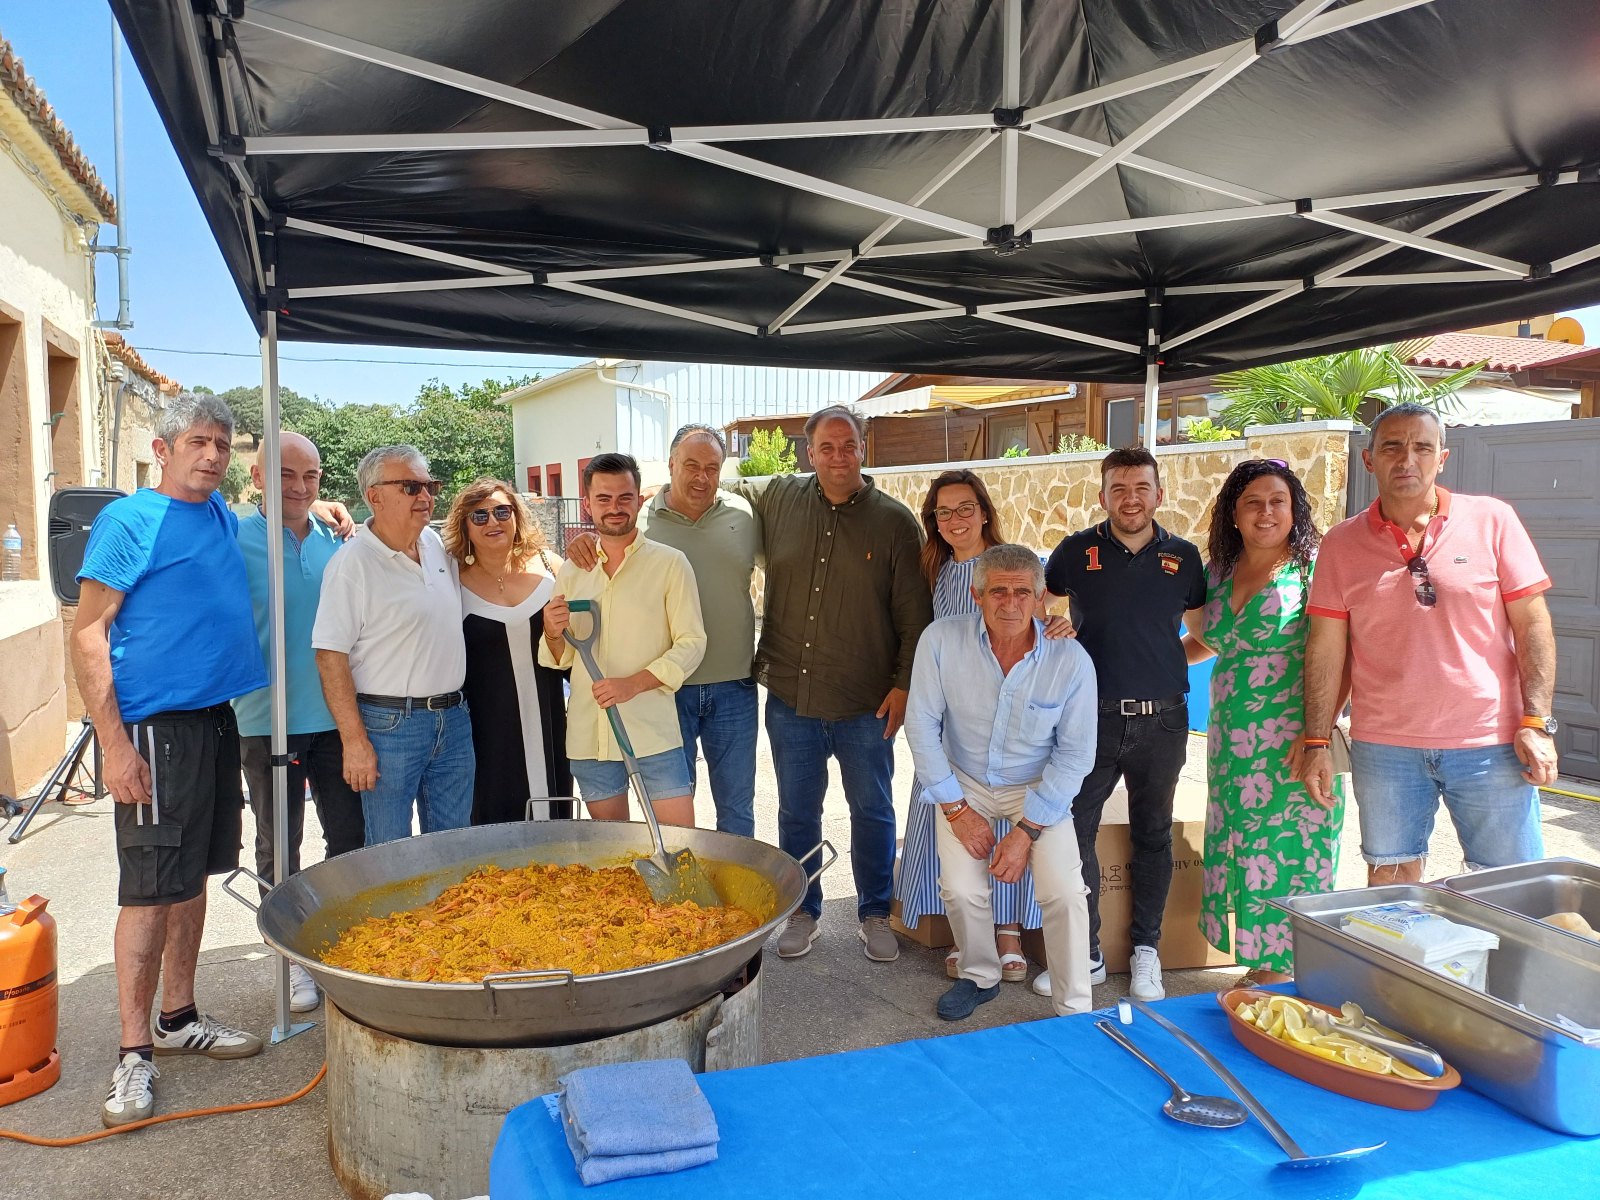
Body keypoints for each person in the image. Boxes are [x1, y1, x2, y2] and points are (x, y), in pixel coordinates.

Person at [72, 392, 266, 1129]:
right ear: (164, 448)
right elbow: (88, 633)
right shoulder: (129, 519)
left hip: (215, 720)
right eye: (197, 442)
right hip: (154, 726)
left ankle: (178, 1016)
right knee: (149, 888)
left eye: (220, 443)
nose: (212, 455)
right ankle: (133, 1055)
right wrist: (115, 745)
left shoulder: (216, 512)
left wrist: (332, 512)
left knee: (191, 876)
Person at [1300, 402, 1558, 881]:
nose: (1407, 459)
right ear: (1369, 460)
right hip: (1385, 746)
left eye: (1422, 447)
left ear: (1442, 458)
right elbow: (1326, 648)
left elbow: (1533, 626)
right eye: (1392, 446)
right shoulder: (1341, 543)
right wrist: (1317, 738)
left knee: (1512, 886)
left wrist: (1537, 722)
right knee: (1389, 882)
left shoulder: (1492, 520)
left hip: (1491, 742)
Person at [725, 405, 933, 962]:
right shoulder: (777, 499)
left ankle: (873, 912)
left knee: (872, 810)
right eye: (827, 447)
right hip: (793, 695)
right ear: (808, 452)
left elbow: (915, 616)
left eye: (849, 446)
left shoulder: (894, 522)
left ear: (864, 449)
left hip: (867, 701)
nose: (838, 457)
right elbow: (720, 489)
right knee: (796, 812)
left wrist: (903, 685)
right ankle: (804, 912)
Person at [905, 544, 1099, 1020]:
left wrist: (1027, 832)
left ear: (1039, 599)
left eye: (1021, 593)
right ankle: (979, 975)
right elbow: (921, 727)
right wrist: (956, 810)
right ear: (976, 595)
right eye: (998, 592)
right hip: (965, 781)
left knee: (1065, 891)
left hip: (1036, 787)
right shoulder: (940, 641)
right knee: (960, 887)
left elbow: (1075, 755)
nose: (1009, 604)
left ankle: (1074, 1008)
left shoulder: (1070, 659)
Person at [893, 469, 1068, 994]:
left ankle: (1009, 933)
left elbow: (1050, 617)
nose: (955, 520)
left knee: (1009, 822)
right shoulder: (940, 570)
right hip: (953, 720)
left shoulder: (1020, 559)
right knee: (958, 827)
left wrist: (1060, 622)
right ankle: (970, 938)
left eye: (964, 508)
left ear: (985, 510)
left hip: (1012, 721)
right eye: (943, 512)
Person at [1043, 445, 1206, 1002]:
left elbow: (1205, 632)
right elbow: (1038, 604)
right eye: (1119, 488)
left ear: (1159, 494)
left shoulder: (1184, 558)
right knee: (1074, 831)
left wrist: (1164, 662)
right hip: (1093, 720)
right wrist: (1055, 627)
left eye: (1141, 488)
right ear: (1102, 495)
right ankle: (1084, 954)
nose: (1130, 499)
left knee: (1153, 835)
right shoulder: (1075, 552)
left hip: (1163, 722)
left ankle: (1146, 954)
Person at [1183, 459, 1347, 985]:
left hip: (1294, 737)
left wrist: (1319, 735)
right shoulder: (1218, 574)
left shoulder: (1314, 569)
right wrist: (1141, 664)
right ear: (1233, 514)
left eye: (1277, 500)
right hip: (1230, 740)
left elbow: (1343, 653)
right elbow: (1210, 641)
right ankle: (1261, 960)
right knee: (1241, 846)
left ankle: (1283, 969)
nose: (1266, 511)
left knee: (1290, 847)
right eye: (1252, 502)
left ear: (1294, 507)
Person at [566, 425, 763, 836]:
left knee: (737, 807)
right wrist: (580, 545)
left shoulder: (744, 516)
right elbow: (610, 538)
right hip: (667, 692)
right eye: (691, 465)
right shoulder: (642, 519)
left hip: (733, 686)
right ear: (671, 464)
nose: (701, 476)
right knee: (675, 812)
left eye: (712, 467)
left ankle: (736, 898)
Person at [233, 432, 366, 1014]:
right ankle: (290, 961)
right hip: (266, 720)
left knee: (349, 839)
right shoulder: (232, 536)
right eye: (285, 475)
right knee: (278, 845)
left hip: (338, 717)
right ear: (258, 477)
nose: (300, 486)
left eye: (309, 476)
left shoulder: (339, 542)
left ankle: (344, 946)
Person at [313, 445, 475, 844]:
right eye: (411, 486)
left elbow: (501, 555)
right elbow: (329, 657)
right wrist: (354, 742)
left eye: (429, 485)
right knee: (389, 853)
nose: (426, 496)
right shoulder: (352, 564)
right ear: (374, 497)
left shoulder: (435, 545)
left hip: (453, 720)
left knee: (453, 849)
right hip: (389, 728)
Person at [540, 453, 706, 825]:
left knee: (678, 848)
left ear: (639, 500)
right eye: (603, 499)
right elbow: (562, 656)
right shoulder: (572, 570)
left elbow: (692, 642)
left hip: (653, 735)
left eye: (624, 498)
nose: (614, 508)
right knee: (614, 858)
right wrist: (552, 632)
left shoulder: (669, 564)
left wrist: (633, 684)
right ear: (587, 504)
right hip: (589, 738)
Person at [443, 479, 573, 822]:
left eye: (502, 511)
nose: (493, 522)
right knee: (496, 829)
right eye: (479, 516)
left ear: (516, 516)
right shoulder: (450, 581)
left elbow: (573, 651)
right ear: (465, 526)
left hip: (549, 717)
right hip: (485, 730)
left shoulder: (551, 568)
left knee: (555, 823)